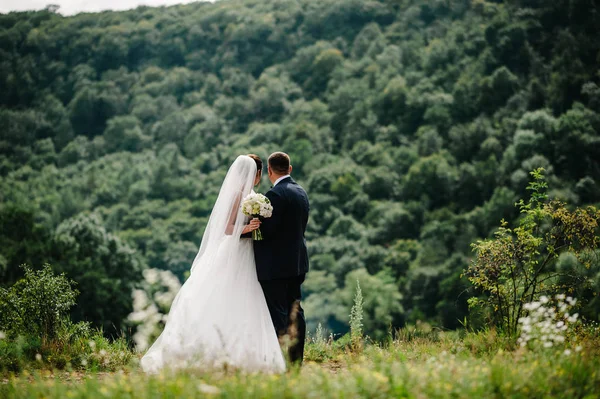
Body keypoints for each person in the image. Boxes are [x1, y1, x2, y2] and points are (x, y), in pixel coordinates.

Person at [140, 155, 286, 374]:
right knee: (227, 295)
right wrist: (249, 228)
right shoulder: (238, 194)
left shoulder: (254, 196)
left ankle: (242, 353)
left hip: (248, 253)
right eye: (259, 172)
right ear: (254, 173)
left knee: (245, 298)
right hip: (235, 251)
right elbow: (228, 228)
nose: (260, 176)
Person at [252, 152, 310, 364]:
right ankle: (296, 360)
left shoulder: (275, 195)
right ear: (290, 169)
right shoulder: (300, 192)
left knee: (277, 313)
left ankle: (281, 360)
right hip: (297, 263)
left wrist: (249, 228)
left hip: (276, 266)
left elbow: (268, 231)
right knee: (296, 311)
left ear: (269, 171)